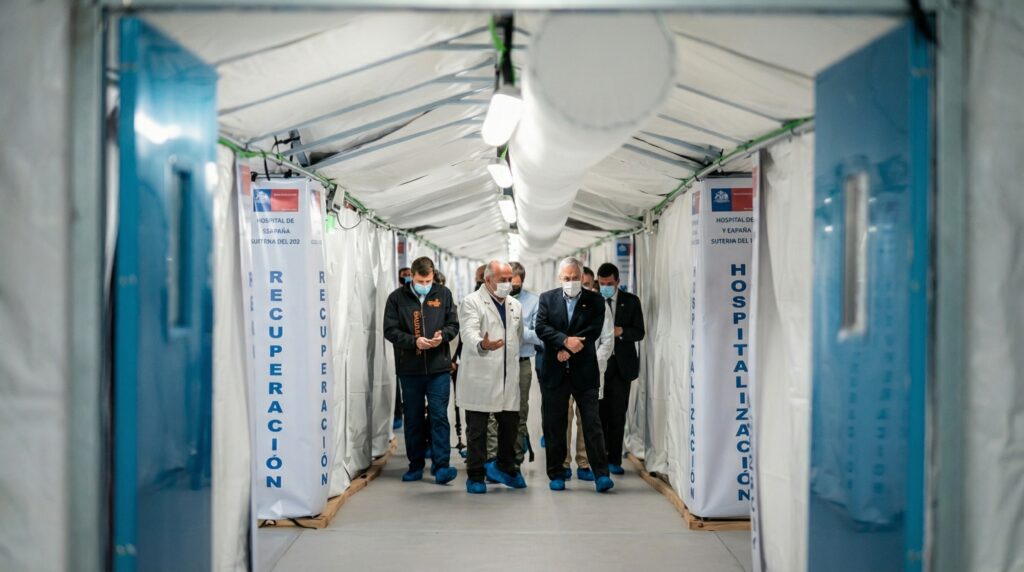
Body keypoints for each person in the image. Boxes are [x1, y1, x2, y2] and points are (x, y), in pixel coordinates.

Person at [535, 257, 614, 493]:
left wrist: (569, 347)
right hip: (554, 372)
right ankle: (556, 472)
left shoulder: (596, 300)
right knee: (555, 424)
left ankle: (601, 474)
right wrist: (562, 342)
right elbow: (541, 327)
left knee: (592, 424)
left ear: (582, 278)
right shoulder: (547, 299)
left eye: (575, 278)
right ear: (560, 279)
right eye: (566, 279)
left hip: (585, 373)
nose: (571, 282)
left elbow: (594, 328)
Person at [383, 256, 460, 484]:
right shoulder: (397, 298)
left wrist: (442, 336)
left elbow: (453, 325)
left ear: (433, 275)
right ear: (411, 277)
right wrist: (413, 341)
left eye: (427, 280)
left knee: (438, 416)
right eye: (419, 280)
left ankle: (442, 466)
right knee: (414, 419)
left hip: (438, 368)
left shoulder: (443, 294)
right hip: (410, 370)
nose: (424, 284)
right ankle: (415, 465)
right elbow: (390, 330)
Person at [457, 261, 526, 493]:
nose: (508, 284)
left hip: (508, 376)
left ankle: (504, 466)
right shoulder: (471, 302)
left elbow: (519, 336)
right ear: (488, 281)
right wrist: (482, 344)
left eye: (510, 279)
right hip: (481, 375)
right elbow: (467, 332)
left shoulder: (515, 305)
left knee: (510, 424)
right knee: (477, 429)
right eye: (503, 280)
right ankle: (475, 475)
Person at [561, 267, 615, 481]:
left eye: (581, 282)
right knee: (564, 418)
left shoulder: (598, 305)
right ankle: (564, 462)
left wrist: (593, 361)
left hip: (589, 371)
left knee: (588, 421)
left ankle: (584, 463)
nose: (576, 285)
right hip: (563, 370)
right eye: (571, 279)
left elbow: (607, 340)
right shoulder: (560, 304)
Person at [596, 262, 646, 475]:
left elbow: (639, 332)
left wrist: (621, 332)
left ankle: (614, 458)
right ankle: (598, 458)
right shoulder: (592, 301)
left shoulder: (631, 302)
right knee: (598, 414)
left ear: (618, 282)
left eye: (609, 283)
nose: (605, 287)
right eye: (601, 284)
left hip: (621, 366)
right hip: (599, 364)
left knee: (617, 413)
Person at [509, 262, 543, 470]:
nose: (512, 288)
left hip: (522, 363)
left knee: (520, 411)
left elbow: (539, 335)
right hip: (497, 363)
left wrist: (519, 330)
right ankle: (495, 456)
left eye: (516, 285)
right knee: (496, 411)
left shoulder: (533, 301)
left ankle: (517, 456)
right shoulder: (494, 299)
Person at [394, 266, 413, 430]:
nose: (407, 278)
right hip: (404, 353)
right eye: (404, 275)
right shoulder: (396, 297)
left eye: (409, 275)